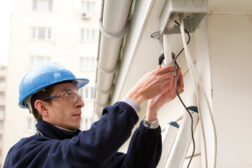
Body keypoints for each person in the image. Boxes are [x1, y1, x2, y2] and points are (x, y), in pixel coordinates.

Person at [3, 62, 183, 168]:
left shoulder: (86, 148)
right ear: (42, 107)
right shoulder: (25, 154)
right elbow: (80, 155)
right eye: (68, 95)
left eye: (77, 94)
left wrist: (151, 113)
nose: (80, 103)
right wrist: (136, 96)